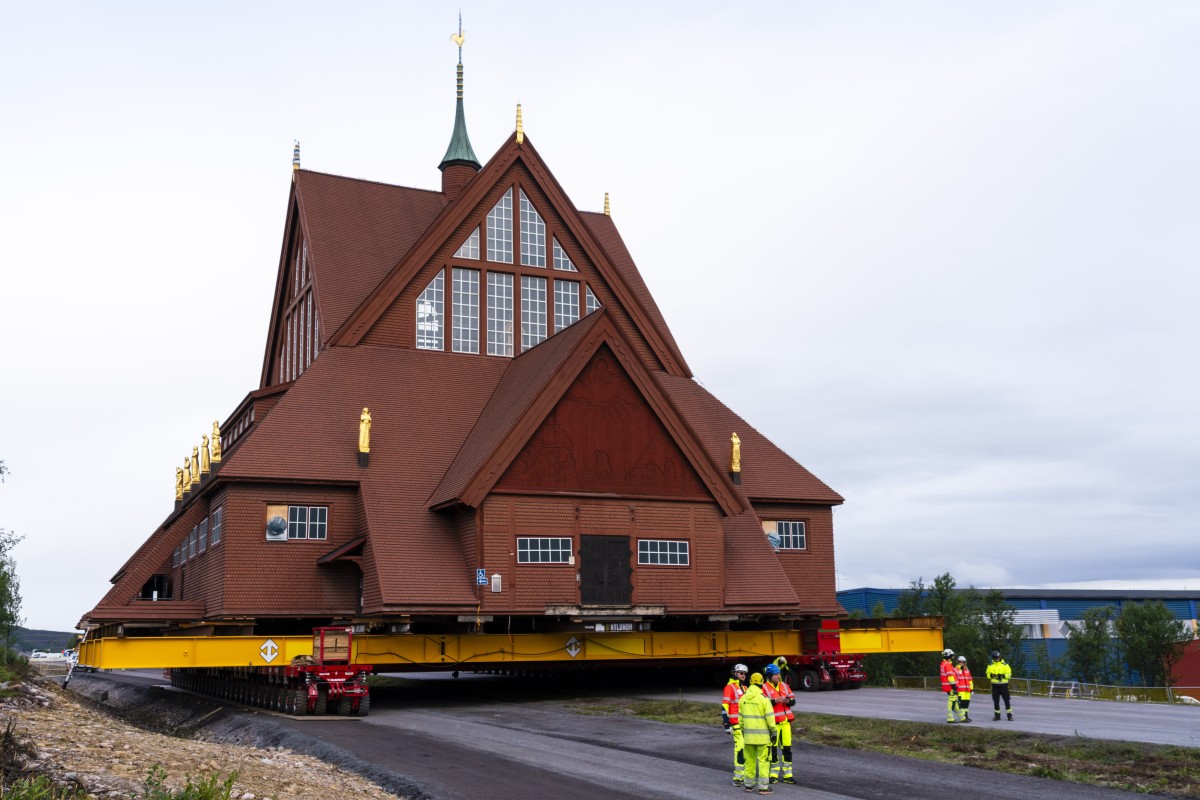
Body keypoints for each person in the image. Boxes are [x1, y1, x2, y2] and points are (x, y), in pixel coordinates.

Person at [739, 672, 779, 794]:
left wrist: (743, 732)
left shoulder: (743, 698)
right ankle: (763, 788)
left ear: (750, 682)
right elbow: (771, 720)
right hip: (763, 738)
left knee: (749, 761)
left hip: (748, 737)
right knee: (763, 762)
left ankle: (749, 785)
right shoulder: (764, 699)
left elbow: (740, 720)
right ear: (762, 682)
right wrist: (774, 732)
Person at [761, 663, 796, 784]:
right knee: (773, 750)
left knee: (787, 749)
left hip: (786, 724)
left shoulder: (785, 686)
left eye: (779, 674)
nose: (778, 676)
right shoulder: (764, 687)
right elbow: (763, 704)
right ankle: (773, 775)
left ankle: (788, 775)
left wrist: (788, 700)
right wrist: (775, 701)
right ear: (769, 676)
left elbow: (793, 701)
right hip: (774, 724)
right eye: (776, 674)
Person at [722, 663, 749, 785]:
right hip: (736, 724)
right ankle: (738, 778)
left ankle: (744, 776)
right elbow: (724, 707)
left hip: (746, 725)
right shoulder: (730, 687)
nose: (743, 675)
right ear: (735, 673)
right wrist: (727, 725)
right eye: (741, 673)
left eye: (745, 673)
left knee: (747, 751)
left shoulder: (745, 688)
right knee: (740, 749)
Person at [986, 650, 1014, 720]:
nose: (996, 660)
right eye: (994, 658)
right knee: (996, 701)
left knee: (1006, 700)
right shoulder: (990, 665)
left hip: (1003, 685)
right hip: (995, 686)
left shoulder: (1005, 665)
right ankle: (997, 716)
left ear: (999, 657)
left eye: (997, 658)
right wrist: (991, 675)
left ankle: (1009, 716)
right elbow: (987, 674)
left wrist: (1002, 676)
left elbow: (1009, 675)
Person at [939, 648, 961, 723]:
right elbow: (950, 677)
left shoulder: (943, 663)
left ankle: (962, 717)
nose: (953, 657)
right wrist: (954, 687)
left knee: (954, 700)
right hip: (950, 686)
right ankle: (950, 718)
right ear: (950, 656)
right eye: (952, 655)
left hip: (947, 686)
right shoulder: (947, 664)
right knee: (952, 701)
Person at [954, 655, 973, 722]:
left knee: (966, 705)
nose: (962, 663)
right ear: (958, 662)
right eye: (960, 662)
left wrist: (971, 689)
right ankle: (962, 718)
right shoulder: (956, 670)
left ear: (965, 662)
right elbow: (955, 680)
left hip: (967, 691)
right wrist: (956, 689)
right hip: (960, 690)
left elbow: (970, 680)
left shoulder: (967, 670)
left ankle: (966, 716)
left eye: (963, 662)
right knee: (961, 705)